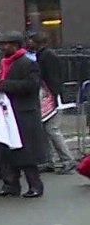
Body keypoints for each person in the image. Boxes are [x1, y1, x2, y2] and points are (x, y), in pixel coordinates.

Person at [0, 32, 46, 198]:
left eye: (6, 44)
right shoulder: (3, 62)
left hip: (24, 112)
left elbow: (31, 86)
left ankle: (35, 185)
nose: (2, 47)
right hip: (7, 112)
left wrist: (4, 85)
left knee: (25, 151)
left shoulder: (27, 63)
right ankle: (11, 184)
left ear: (16, 45)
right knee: (7, 149)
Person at [28, 32, 75, 173]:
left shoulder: (46, 56)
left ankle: (67, 159)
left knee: (52, 129)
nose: (29, 43)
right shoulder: (44, 55)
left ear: (38, 42)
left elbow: (52, 77)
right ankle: (50, 160)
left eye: (31, 41)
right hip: (49, 95)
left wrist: (53, 95)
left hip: (50, 96)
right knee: (46, 128)